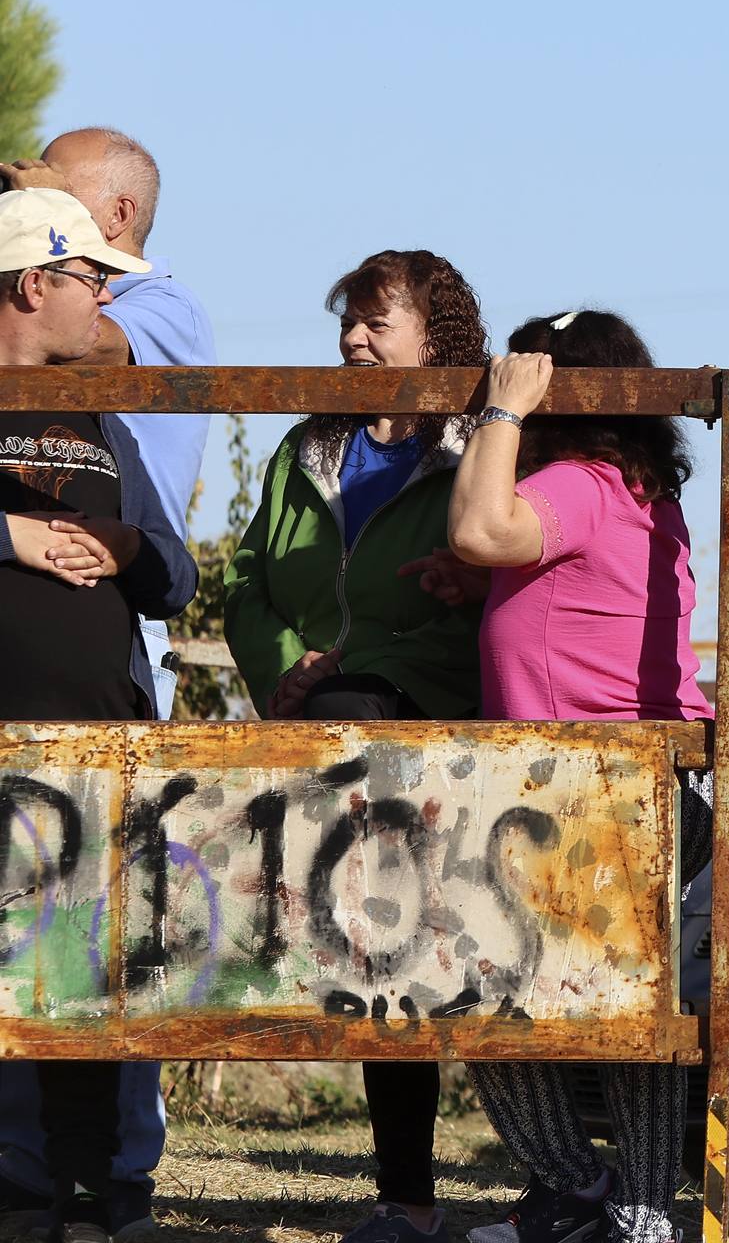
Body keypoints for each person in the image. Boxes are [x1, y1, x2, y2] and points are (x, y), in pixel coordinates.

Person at [217, 250, 489, 1243]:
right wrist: (287, 665)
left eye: (378, 320)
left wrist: (344, 668)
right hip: (313, 715)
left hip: (428, 726)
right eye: (348, 321)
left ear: (437, 334)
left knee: (398, 948)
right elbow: (247, 578)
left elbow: (487, 592)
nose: (354, 339)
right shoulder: (306, 446)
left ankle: (416, 1195)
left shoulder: (478, 446)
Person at [446, 311, 713, 1243]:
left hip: (600, 785)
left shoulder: (585, 482)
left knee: (507, 989)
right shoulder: (633, 491)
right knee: (562, 995)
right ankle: (611, 1201)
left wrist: (501, 411)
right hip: (613, 780)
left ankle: (613, 1201)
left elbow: (484, 528)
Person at [0, 130, 211, 1237]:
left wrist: (126, 551)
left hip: (97, 743)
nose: (104, 298)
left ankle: (98, 1192)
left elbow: (174, 569)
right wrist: (15, 537)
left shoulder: (106, 416)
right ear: (39, 283)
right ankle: (27, 1187)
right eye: (88, 279)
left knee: (86, 975)